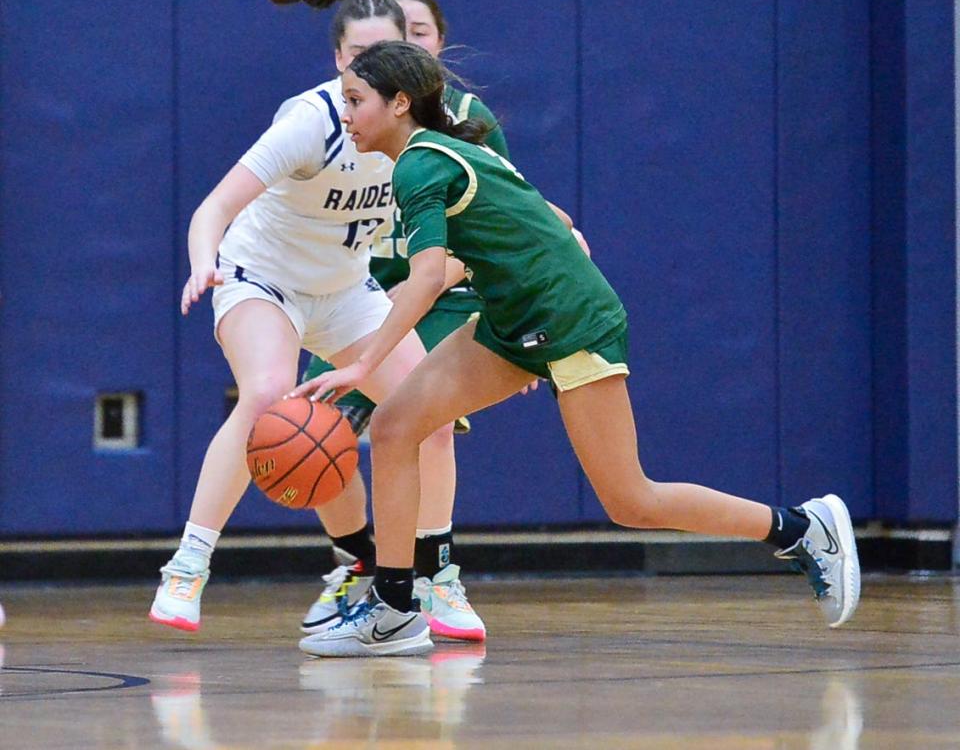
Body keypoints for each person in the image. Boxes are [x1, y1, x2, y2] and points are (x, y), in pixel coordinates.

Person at [292, 40, 862, 657]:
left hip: (568, 323)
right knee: (399, 425)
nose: (344, 113)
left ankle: (802, 530)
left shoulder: (419, 165)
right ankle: (396, 608)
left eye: (355, 100)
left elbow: (427, 275)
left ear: (399, 102)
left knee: (631, 500)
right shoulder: (450, 152)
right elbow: (549, 215)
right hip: (515, 319)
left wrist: (362, 363)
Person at [148, 0, 470, 634]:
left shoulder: (427, 130)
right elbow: (214, 206)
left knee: (432, 416)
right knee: (268, 392)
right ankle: (188, 565)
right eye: (357, 55)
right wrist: (203, 261)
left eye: (384, 53)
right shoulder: (314, 122)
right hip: (263, 280)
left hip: (346, 290)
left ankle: (434, 580)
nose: (369, 68)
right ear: (338, 59)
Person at [300, 0, 513, 642]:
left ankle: (436, 575)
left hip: (442, 292)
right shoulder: (340, 119)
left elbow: (495, 222)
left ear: (437, 43)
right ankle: (362, 566)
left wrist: (418, 289)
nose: (412, 45)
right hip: (361, 296)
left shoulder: (465, 117)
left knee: (427, 423)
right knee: (312, 434)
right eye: (400, 36)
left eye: (421, 32)